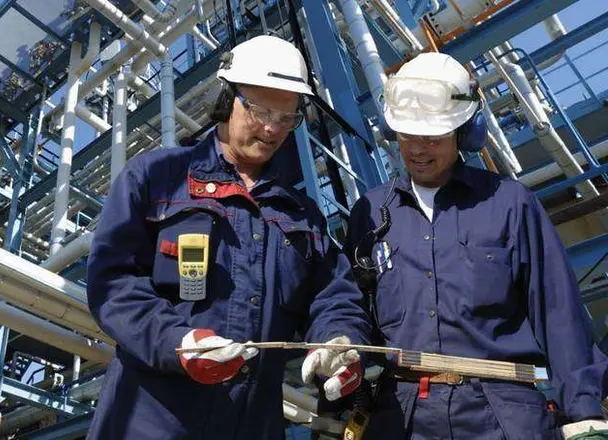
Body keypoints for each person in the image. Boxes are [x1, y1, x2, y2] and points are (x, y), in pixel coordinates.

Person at [85, 35, 372, 439]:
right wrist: (177, 341)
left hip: (252, 425)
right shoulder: (157, 178)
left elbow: (333, 296)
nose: (273, 128)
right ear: (226, 100)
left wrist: (339, 341)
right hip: (151, 422)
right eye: (260, 111)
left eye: (288, 118)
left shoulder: (301, 215)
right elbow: (113, 283)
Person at [346, 52, 608, 439]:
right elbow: (349, 309)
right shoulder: (368, 213)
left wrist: (585, 412)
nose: (417, 149)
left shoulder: (509, 203)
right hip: (402, 419)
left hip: (501, 415)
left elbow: (558, 312)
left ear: (464, 133)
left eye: (432, 137)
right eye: (406, 135)